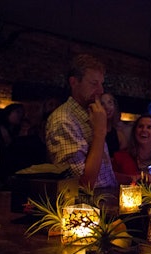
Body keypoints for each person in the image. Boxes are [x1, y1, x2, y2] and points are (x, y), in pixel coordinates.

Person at [46, 54, 117, 189]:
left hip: (106, 201)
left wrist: (133, 178)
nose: (101, 90)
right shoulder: (63, 121)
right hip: (88, 206)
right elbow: (82, 184)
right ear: (74, 82)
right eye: (94, 83)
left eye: (101, 84)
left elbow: (102, 174)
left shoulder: (90, 114)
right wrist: (100, 132)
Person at [100, 92, 128, 157]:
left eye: (110, 102)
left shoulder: (120, 136)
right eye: (102, 104)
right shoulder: (91, 132)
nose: (107, 107)